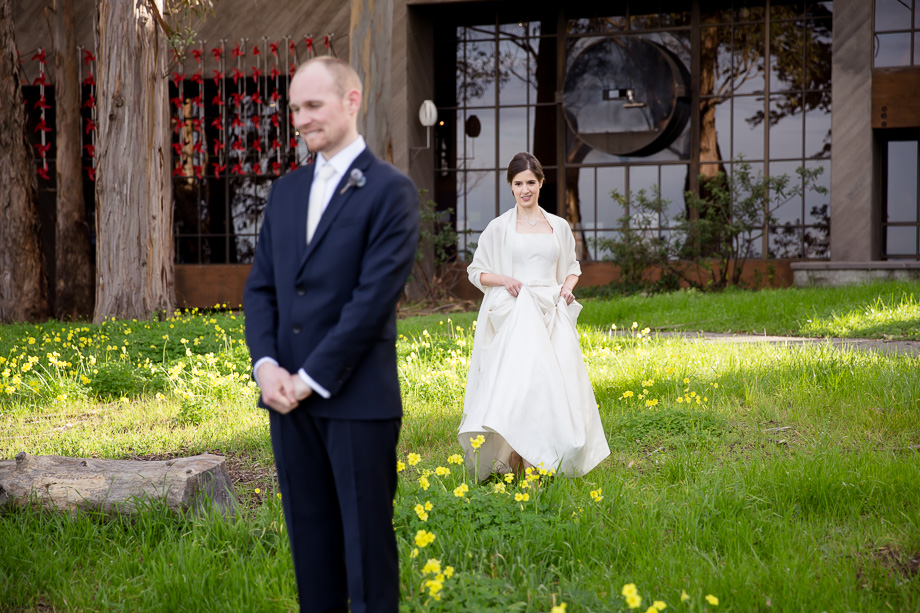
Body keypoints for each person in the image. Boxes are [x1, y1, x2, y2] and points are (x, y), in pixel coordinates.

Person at [244, 56, 419, 613]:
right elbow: (262, 289)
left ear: (352, 100)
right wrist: (267, 366)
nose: (300, 119)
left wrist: (310, 379)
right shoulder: (287, 192)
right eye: (294, 108)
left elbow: (370, 304)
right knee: (311, 550)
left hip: (357, 399)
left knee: (367, 554)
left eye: (313, 106)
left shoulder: (391, 192)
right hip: (286, 401)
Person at [458, 152, 610, 480]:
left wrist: (567, 289)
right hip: (517, 310)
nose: (524, 189)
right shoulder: (499, 228)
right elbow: (476, 271)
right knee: (523, 384)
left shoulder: (558, 226)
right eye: (517, 184)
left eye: (530, 182)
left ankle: (546, 456)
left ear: (541, 183)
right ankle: (519, 456)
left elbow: (571, 268)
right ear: (510, 187)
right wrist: (506, 280)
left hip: (552, 310)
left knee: (554, 387)